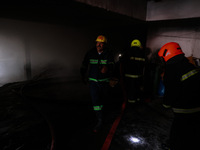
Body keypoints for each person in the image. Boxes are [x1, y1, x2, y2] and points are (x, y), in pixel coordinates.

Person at [158, 42, 200, 150]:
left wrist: (165, 104)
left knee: (177, 133)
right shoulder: (188, 64)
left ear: (168, 54)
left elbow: (170, 93)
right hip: (197, 107)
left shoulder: (171, 70)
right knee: (192, 134)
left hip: (183, 110)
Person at [80, 35, 115, 132]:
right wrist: (82, 75)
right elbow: (84, 64)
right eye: (97, 43)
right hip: (93, 82)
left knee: (103, 99)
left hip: (104, 82)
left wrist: (107, 68)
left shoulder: (108, 54)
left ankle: (102, 115)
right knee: (95, 101)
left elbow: (113, 65)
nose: (98, 45)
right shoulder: (90, 53)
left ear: (105, 44)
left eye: (101, 43)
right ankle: (99, 119)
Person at [120, 39, 145, 103]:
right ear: (139, 45)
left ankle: (130, 103)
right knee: (137, 90)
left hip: (128, 77)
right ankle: (137, 102)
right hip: (139, 77)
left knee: (130, 91)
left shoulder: (127, 52)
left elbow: (121, 62)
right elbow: (146, 65)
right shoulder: (142, 53)